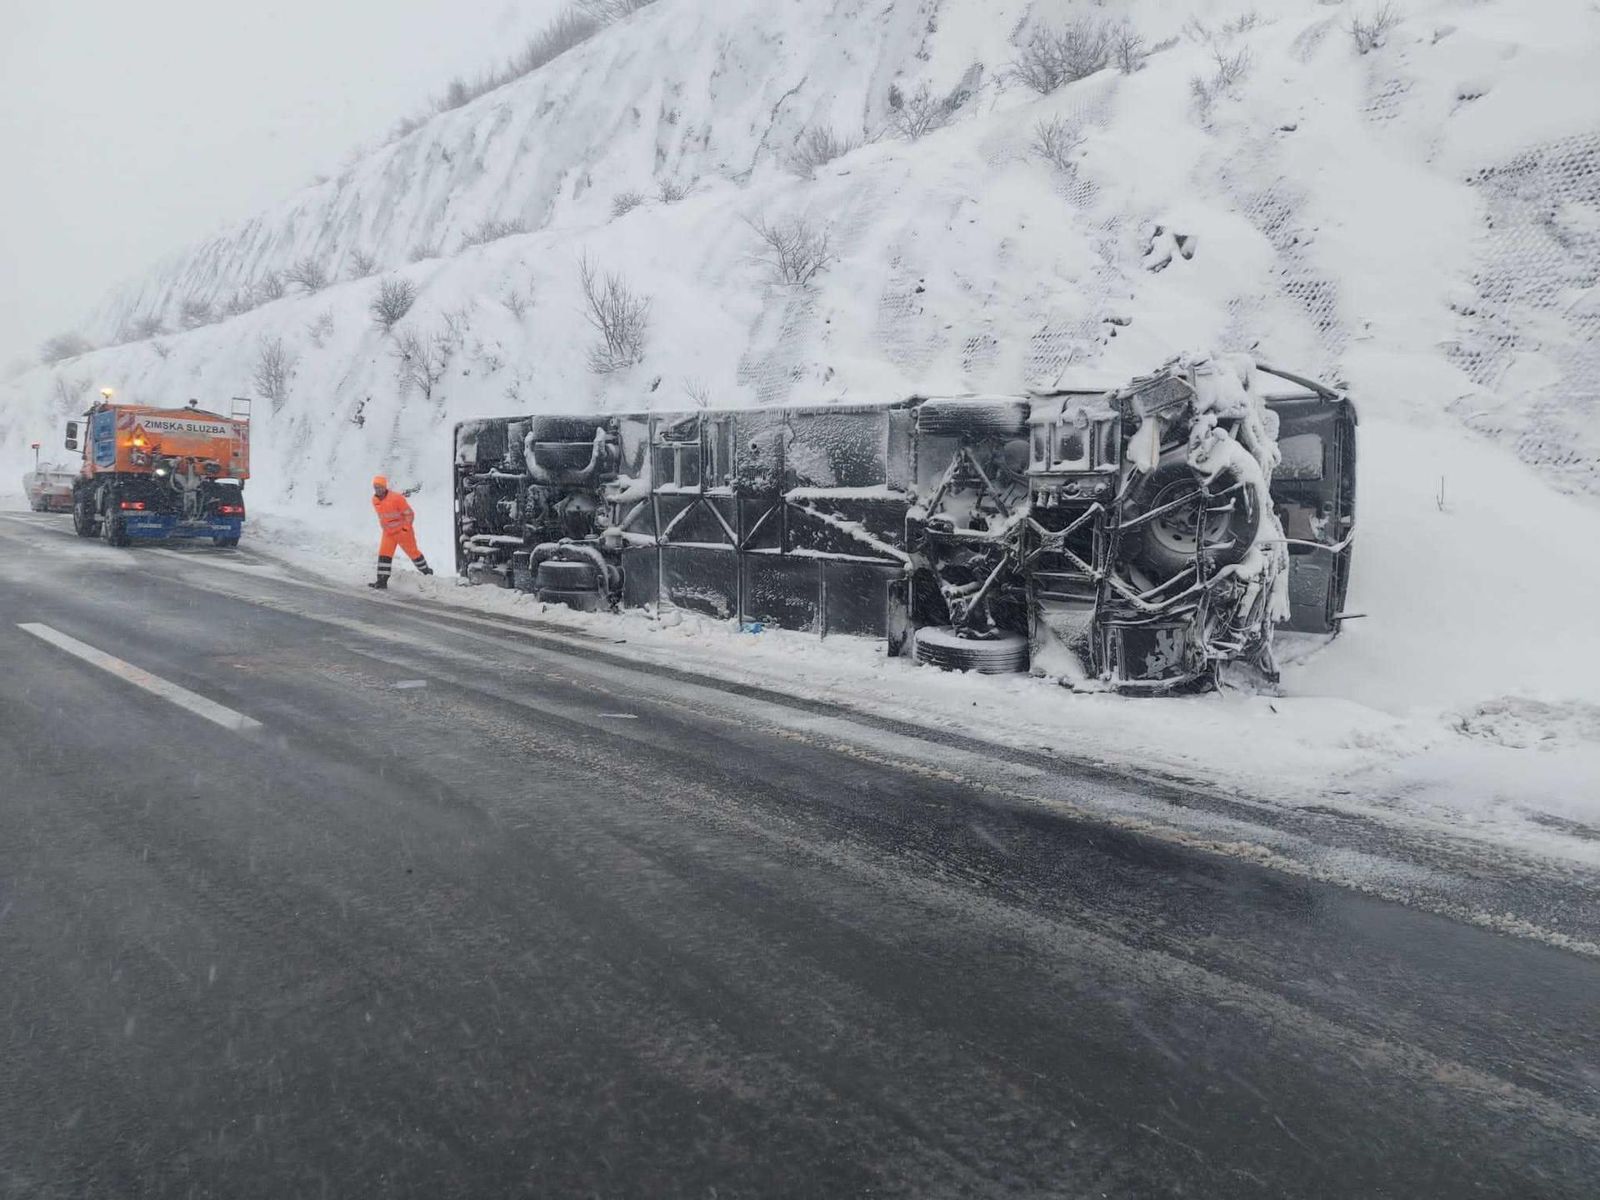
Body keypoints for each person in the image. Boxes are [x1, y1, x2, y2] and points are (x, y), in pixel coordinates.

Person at [369, 475, 433, 589]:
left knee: (413, 553)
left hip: (402, 532)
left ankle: (427, 574)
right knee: (384, 555)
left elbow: (409, 514)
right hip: (388, 533)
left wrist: (405, 529)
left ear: (384, 487)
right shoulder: (375, 500)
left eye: (379, 487)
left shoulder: (396, 498)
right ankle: (381, 581)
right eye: (375, 487)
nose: (377, 489)